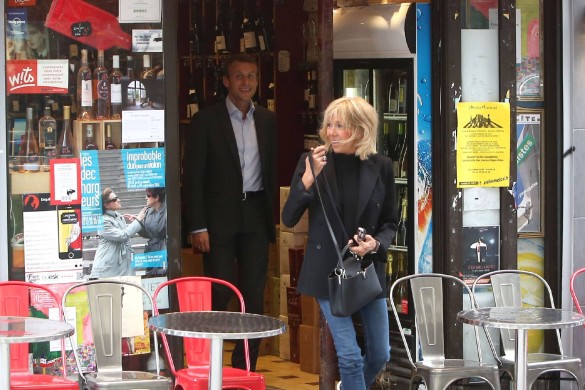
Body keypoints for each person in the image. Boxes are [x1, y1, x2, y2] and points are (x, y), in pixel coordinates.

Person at [282, 96, 398, 390]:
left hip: (366, 269)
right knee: (349, 356)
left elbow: (391, 223)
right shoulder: (313, 163)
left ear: (360, 130)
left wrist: (374, 244)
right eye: (329, 125)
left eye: (339, 126)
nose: (330, 132)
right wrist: (307, 181)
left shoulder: (381, 166)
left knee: (381, 354)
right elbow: (288, 218)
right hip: (327, 271)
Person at [182, 53, 277, 371]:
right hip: (217, 218)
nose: (246, 82)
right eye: (239, 76)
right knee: (220, 290)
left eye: (251, 76)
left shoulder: (267, 120)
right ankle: (207, 362)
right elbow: (192, 177)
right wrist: (196, 225)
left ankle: (244, 365)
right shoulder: (206, 121)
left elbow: (272, 170)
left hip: (255, 214)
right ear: (226, 81)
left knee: (253, 294)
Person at [89, 188, 147, 278]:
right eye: (114, 199)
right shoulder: (102, 221)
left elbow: (126, 237)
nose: (118, 200)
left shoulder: (118, 217)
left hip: (122, 265)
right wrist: (138, 220)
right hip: (107, 268)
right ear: (106, 205)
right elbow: (123, 235)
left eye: (117, 198)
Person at [136, 187, 167, 253]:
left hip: (163, 249)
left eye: (148, 195)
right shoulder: (148, 212)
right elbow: (147, 233)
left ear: (157, 197)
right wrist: (138, 223)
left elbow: (159, 231)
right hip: (151, 250)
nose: (146, 198)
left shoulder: (166, 212)